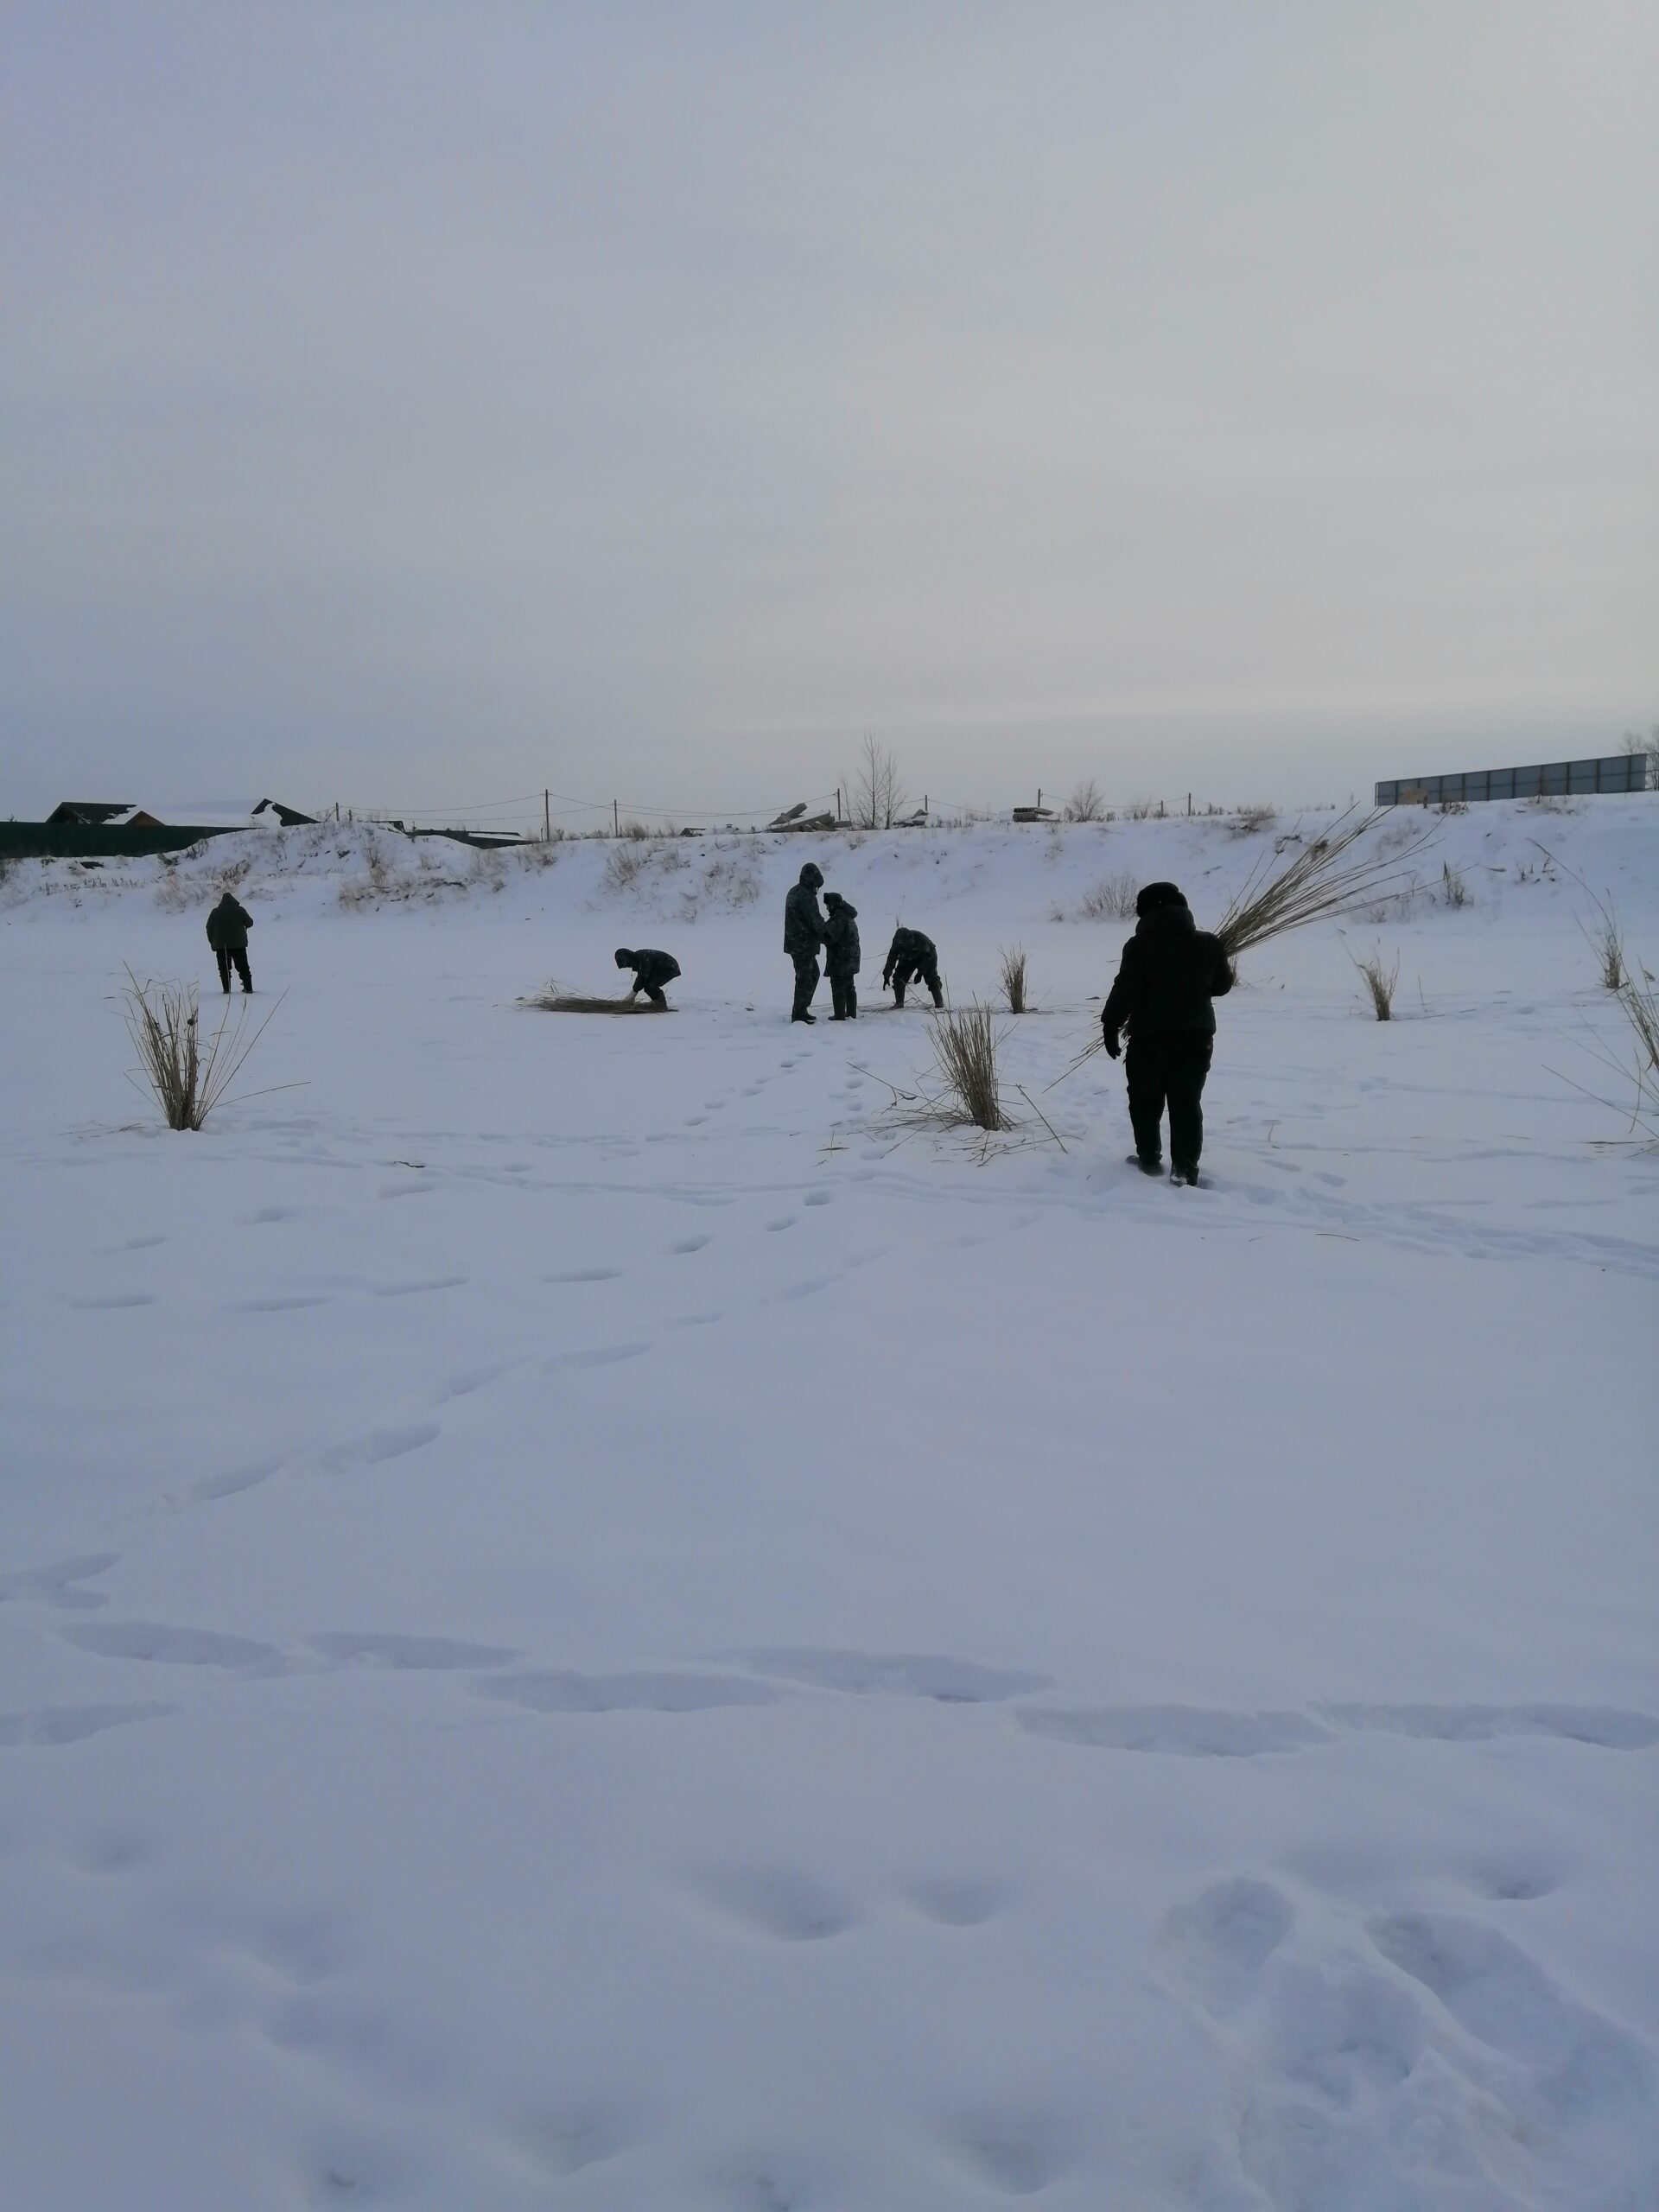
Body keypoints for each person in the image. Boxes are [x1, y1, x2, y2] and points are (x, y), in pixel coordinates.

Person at [1100, 880, 1232, 1186]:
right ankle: (1184, 1168)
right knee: (1186, 1101)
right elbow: (1222, 986)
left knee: (1144, 1099)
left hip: (1149, 1038)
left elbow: (1126, 988)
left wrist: (1111, 1024)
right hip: (1196, 1038)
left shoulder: (1138, 946)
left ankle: (1149, 1157)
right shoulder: (1209, 943)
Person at [783, 861, 828, 1023]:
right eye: (816, 885)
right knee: (805, 978)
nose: (816, 889)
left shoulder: (795, 891)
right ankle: (799, 1014)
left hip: (796, 943)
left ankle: (802, 1009)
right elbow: (815, 921)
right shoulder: (806, 896)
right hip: (803, 945)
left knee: (811, 974)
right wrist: (829, 934)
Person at [881, 925, 944, 1008]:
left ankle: (939, 1004)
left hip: (927, 956)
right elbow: (892, 958)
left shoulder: (921, 939)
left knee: (931, 978)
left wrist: (920, 973)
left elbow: (928, 958)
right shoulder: (897, 942)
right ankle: (899, 1003)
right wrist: (886, 974)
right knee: (898, 978)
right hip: (908, 958)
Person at [205, 890, 253, 994]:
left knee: (224, 969)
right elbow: (250, 923)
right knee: (244, 967)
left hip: (221, 947)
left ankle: (226, 990)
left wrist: (213, 943)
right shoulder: (240, 910)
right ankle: (248, 988)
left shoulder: (215, 912)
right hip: (239, 946)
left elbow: (209, 928)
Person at [822, 892, 860, 1019]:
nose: (827, 908)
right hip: (851, 957)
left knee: (838, 986)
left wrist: (818, 934)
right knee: (849, 985)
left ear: (833, 905)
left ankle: (839, 1016)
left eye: (828, 905)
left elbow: (829, 937)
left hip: (841, 958)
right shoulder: (847, 915)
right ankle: (851, 1014)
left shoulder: (839, 918)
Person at [614, 946, 681, 1008]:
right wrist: (634, 991)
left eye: (627, 965)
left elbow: (643, 976)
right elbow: (642, 977)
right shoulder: (638, 958)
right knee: (648, 984)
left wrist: (633, 993)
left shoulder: (643, 958)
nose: (629, 966)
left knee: (651, 986)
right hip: (658, 969)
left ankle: (661, 1005)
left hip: (669, 968)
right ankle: (657, 1002)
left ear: (628, 959)